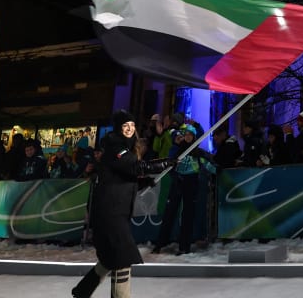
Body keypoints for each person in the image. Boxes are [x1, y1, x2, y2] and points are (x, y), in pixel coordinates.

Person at [71, 110, 173, 298]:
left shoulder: (123, 148)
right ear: (118, 127)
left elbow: (122, 178)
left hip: (114, 211)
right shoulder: (115, 147)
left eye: (132, 125)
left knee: (110, 258)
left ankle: (82, 290)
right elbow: (134, 167)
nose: (129, 128)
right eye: (125, 125)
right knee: (123, 257)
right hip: (110, 213)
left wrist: (143, 182)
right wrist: (163, 163)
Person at [152, 124, 216, 255]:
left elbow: (209, 165)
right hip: (177, 183)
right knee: (169, 213)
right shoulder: (176, 150)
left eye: (190, 135)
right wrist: (175, 174)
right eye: (185, 135)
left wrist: (217, 169)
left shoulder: (197, 152)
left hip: (191, 183)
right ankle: (160, 244)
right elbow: (169, 164)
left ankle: (184, 246)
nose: (187, 137)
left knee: (188, 215)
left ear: (193, 137)